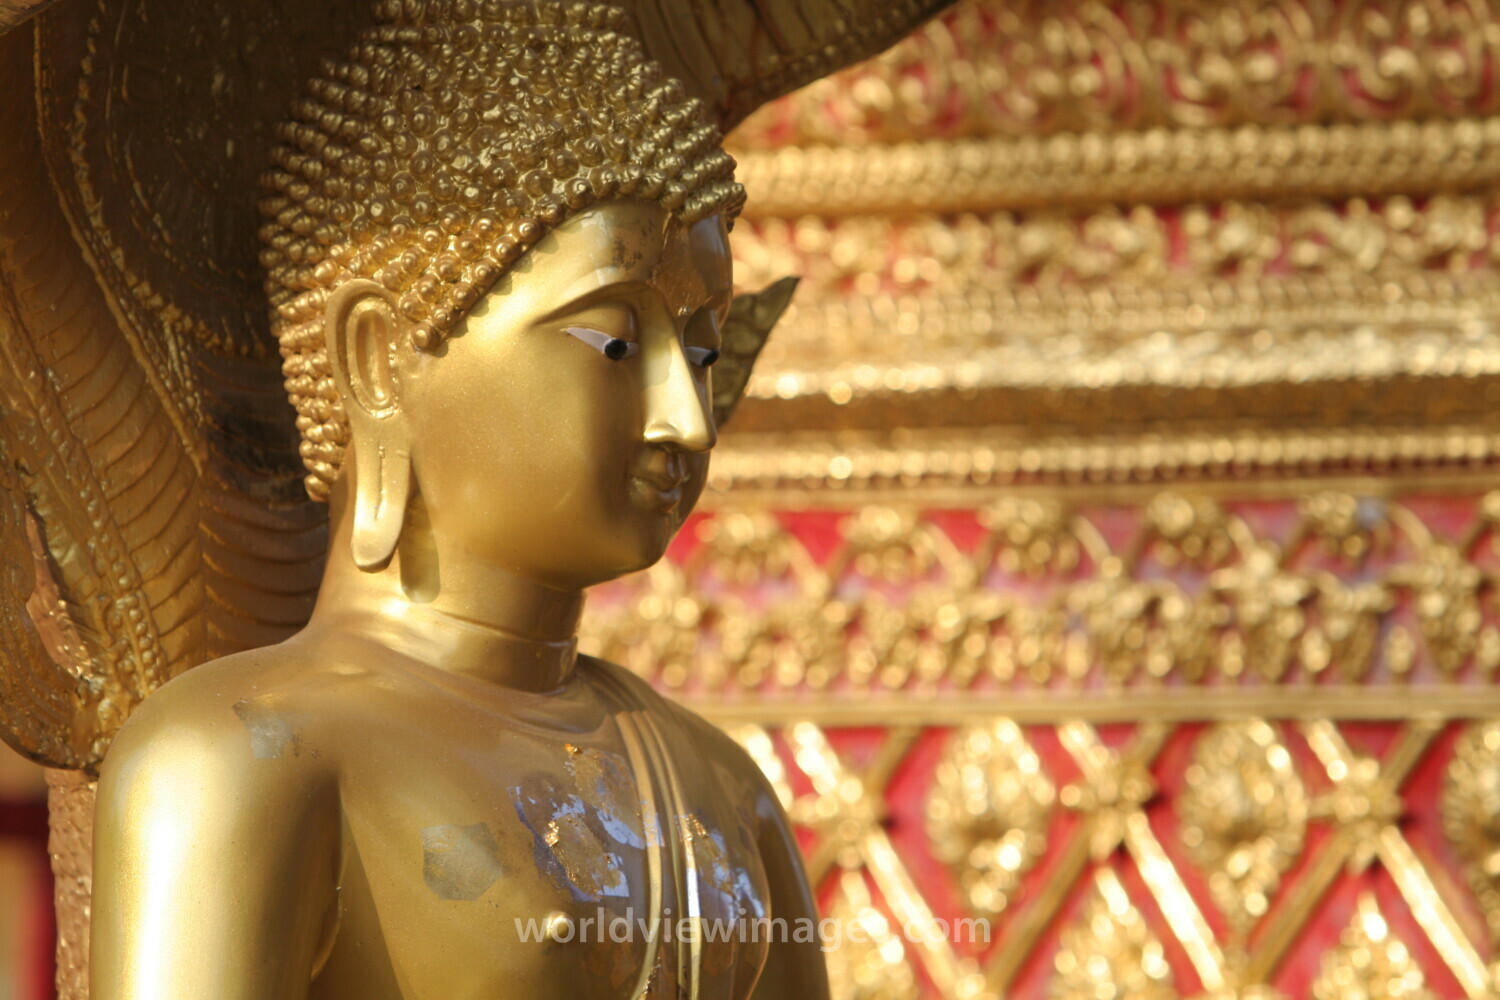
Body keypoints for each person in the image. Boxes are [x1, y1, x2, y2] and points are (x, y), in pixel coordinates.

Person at [90, 4, 828, 997]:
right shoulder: (239, 759)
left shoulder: (722, 790)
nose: (686, 420)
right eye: (614, 342)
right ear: (379, 358)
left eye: (700, 351)